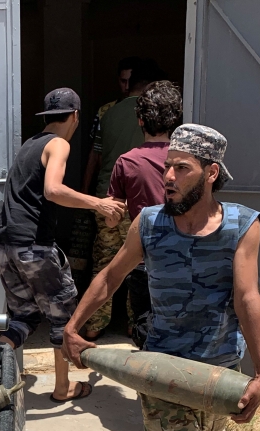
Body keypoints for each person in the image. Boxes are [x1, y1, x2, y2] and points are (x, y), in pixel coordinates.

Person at [62, 124, 260, 431]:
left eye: (182, 168)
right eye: (167, 167)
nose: (169, 177)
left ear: (211, 173)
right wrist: (74, 327)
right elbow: (111, 276)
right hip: (162, 370)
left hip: (218, 369)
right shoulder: (150, 223)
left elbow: (247, 297)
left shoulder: (241, 225)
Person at [0, 87, 126, 402]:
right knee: (63, 317)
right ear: (75, 116)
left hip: (6, 246)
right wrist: (98, 203)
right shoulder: (58, 144)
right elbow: (53, 190)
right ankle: (63, 387)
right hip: (34, 246)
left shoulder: (29, 144)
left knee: (24, 318)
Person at [83, 61, 162, 340]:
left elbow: (95, 154)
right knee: (138, 264)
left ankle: (94, 324)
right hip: (137, 200)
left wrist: (87, 192)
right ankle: (133, 323)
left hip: (106, 198)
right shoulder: (152, 115)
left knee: (104, 262)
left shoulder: (107, 113)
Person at [107, 79, 183, 349]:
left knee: (146, 328)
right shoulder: (188, 162)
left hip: (144, 260)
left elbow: (111, 219)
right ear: (175, 120)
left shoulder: (127, 162)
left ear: (140, 120)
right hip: (184, 258)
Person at [81, 56, 141, 195]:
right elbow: (95, 152)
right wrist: (85, 188)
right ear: (117, 80)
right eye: (123, 81)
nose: (127, 87)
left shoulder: (148, 110)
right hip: (109, 184)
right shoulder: (105, 111)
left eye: (130, 82)